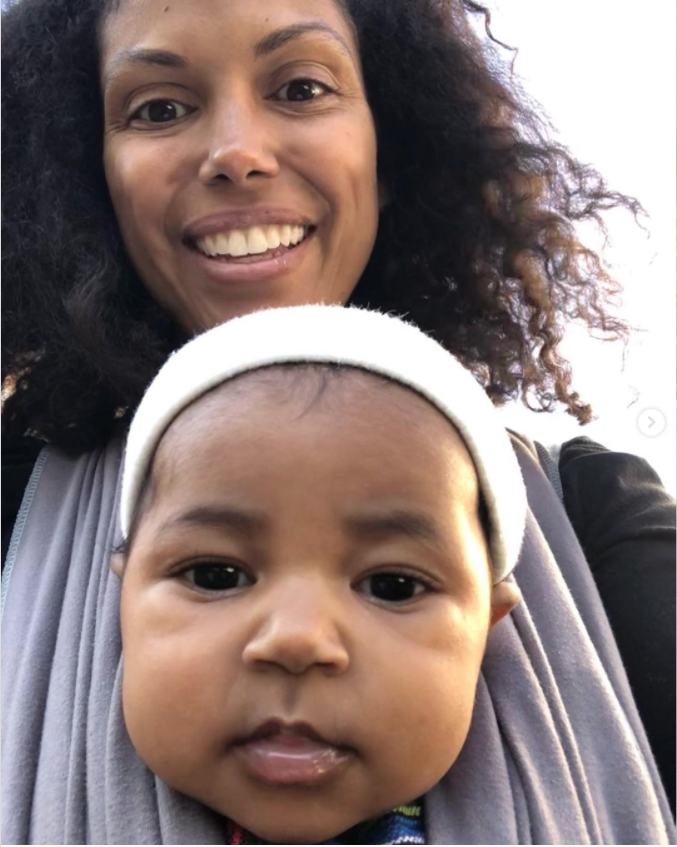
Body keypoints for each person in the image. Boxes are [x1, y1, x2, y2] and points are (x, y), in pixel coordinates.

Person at [1, 0, 674, 830]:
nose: (238, 154)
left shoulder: (595, 518)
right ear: (85, 171)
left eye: (301, 88)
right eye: (159, 108)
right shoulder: (11, 504)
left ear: (392, 146)